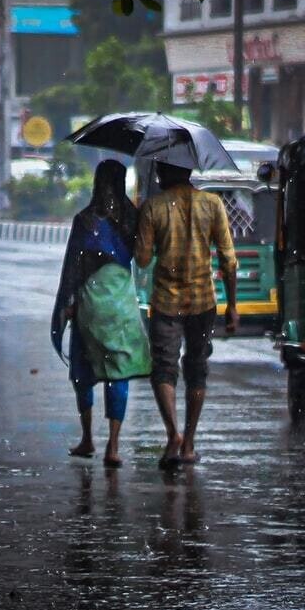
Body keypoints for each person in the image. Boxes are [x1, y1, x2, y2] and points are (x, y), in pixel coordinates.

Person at [135, 160, 239, 468]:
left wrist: (143, 234)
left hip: (167, 302)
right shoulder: (213, 203)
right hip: (203, 302)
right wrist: (232, 306)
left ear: (165, 173)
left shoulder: (153, 207)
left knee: (163, 369)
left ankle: (173, 435)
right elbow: (228, 259)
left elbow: (141, 260)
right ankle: (190, 443)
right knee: (197, 367)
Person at [51, 160, 145, 468]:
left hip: (90, 302)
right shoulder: (134, 218)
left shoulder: (86, 219)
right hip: (121, 302)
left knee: (83, 369)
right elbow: (143, 260)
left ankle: (88, 438)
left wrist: (67, 302)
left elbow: (72, 267)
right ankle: (114, 447)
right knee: (117, 372)